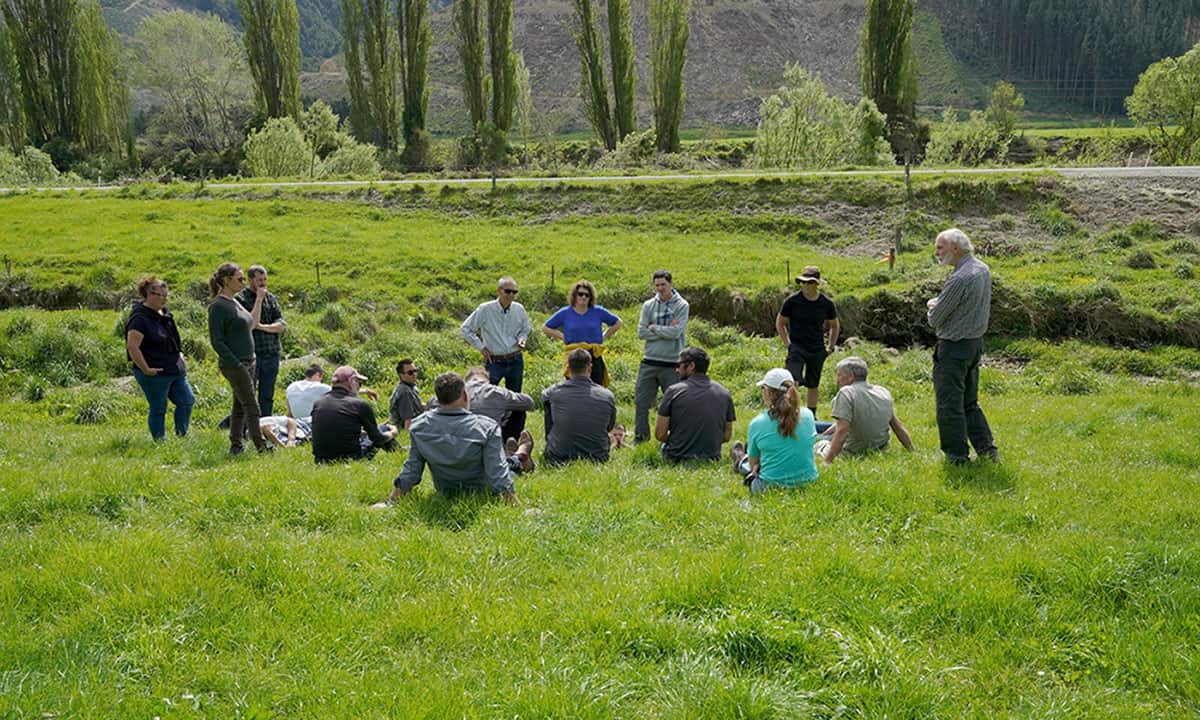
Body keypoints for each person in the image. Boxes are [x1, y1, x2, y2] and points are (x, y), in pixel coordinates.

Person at [377, 371, 525, 505]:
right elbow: (497, 473)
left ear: (437, 399)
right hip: (482, 491)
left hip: (445, 491)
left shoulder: (419, 426)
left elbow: (412, 470)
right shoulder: (487, 428)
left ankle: (519, 455)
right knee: (510, 464)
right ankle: (521, 456)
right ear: (466, 396)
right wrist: (517, 506)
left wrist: (391, 502)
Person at [927, 228, 998, 465]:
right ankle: (987, 450)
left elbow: (935, 318)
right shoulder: (982, 269)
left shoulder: (959, 278)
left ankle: (957, 457)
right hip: (974, 345)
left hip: (953, 347)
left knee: (949, 405)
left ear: (955, 249)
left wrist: (932, 305)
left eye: (940, 247)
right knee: (969, 403)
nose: (937, 252)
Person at [208, 262, 269, 454]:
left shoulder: (234, 301)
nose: (244, 283)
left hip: (249, 361)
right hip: (235, 364)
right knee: (252, 406)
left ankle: (236, 444)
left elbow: (251, 323)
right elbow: (217, 341)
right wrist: (236, 363)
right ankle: (261, 447)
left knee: (239, 407)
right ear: (226, 281)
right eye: (240, 279)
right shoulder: (217, 306)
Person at [460, 276, 532, 439]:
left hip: (515, 358)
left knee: (515, 399)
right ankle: (482, 432)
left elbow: (526, 329)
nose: (511, 295)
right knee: (485, 399)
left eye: (514, 292)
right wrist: (481, 347)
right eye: (508, 291)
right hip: (494, 360)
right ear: (498, 291)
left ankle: (511, 435)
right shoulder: (485, 309)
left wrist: (522, 339)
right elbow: (466, 328)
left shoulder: (519, 309)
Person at [125, 276, 194, 440]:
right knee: (159, 407)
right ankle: (159, 440)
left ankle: (181, 436)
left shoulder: (165, 313)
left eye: (166, 295)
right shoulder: (139, 318)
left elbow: (173, 338)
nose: (164, 299)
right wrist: (145, 369)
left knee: (187, 400)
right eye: (161, 296)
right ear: (149, 295)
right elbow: (132, 346)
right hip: (154, 372)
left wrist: (180, 355)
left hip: (174, 368)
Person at [730, 368, 818, 493]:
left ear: (767, 391)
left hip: (769, 487)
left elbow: (753, 464)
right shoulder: (808, 415)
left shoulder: (757, 423)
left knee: (749, 465)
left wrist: (757, 465)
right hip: (808, 482)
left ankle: (740, 459)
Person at [819, 356, 913, 463]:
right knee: (825, 435)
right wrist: (912, 451)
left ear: (851, 377)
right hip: (879, 450)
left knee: (818, 444)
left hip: (852, 452)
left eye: (839, 375)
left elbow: (842, 430)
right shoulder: (883, 391)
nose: (837, 380)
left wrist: (827, 462)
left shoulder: (846, 393)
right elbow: (897, 427)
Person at [776, 265, 839, 419]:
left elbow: (835, 325)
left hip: (817, 348)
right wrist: (788, 344)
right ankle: (791, 413)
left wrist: (830, 347)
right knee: (792, 380)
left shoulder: (826, 303)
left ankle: (811, 415)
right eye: (803, 282)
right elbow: (780, 323)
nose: (805, 286)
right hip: (796, 347)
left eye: (809, 283)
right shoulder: (792, 301)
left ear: (816, 284)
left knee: (813, 383)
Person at [634, 270, 689, 443]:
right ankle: (640, 438)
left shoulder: (682, 305)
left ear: (670, 284)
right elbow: (641, 332)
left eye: (663, 285)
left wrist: (654, 327)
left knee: (675, 404)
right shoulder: (648, 305)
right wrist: (665, 329)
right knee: (641, 402)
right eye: (657, 285)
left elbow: (676, 333)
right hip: (649, 361)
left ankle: (675, 438)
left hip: (672, 363)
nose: (660, 289)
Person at [655, 346, 735, 462]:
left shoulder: (674, 391)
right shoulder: (725, 393)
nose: (676, 370)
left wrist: (680, 440)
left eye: (679, 365)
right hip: (712, 457)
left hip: (677, 457)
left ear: (691, 366)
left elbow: (660, 434)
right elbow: (727, 436)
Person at [541, 348, 617, 465]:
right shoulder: (607, 395)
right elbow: (609, 427)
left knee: (548, 404)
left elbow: (544, 395)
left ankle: (553, 444)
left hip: (558, 457)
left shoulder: (552, 392)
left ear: (568, 368)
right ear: (590, 368)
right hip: (598, 456)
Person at [542, 280, 623, 387]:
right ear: (575, 295)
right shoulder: (565, 312)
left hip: (594, 355)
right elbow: (546, 327)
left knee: (596, 387)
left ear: (591, 297)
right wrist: (563, 337)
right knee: (574, 388)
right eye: (580, 294)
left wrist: (604, 336)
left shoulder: (598, 311)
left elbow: (618, 322)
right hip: (574, 356)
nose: (583, 297)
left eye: (587, 295)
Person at [310, 365, 398, 462]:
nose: (359, 387)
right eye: (359, 383)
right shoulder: (359, 404)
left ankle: (399, 452)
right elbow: (378, 439)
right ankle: (400, 453)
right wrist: (392, 433)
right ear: (351, 381)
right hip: (351, 458)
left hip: (321, 460)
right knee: (384, 428)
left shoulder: (319, 402)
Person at [235, 265, 287, 416]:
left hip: (272, 353)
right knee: (247, 395)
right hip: (251, 355)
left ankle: (266, 425)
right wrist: (258, 299)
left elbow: (282, 325)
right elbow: (251, 324)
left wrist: (263, 327)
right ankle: (242, 426)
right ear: (250, 280)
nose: (263, 283)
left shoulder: (271, 298)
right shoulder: (241, 299)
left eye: (265, 279)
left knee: (267, 395)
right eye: (259, 280)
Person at [388, 358, 425, 429]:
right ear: (401, 375)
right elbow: (407, 420)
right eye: (410, 373)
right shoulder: (405, 392)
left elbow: (417, 406)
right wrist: (407, 436)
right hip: (407, 425)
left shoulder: (409, 386)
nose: (414, 374)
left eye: (415, 371)